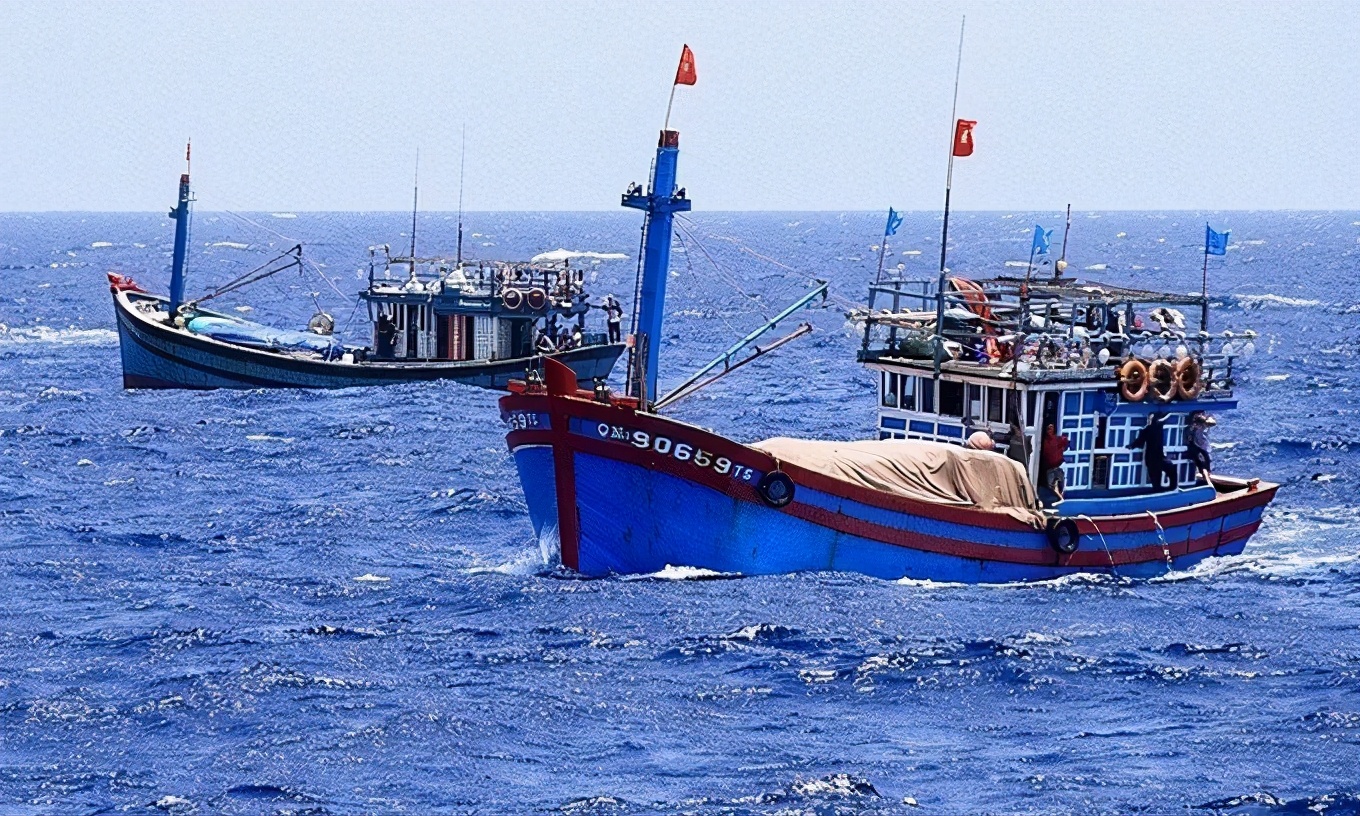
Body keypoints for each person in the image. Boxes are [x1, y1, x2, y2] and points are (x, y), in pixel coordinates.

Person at [1129, 412, 1178, 491]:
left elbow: (1165, 418)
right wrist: (1131, 446)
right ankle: (1158, 490)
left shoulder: (1159, 426)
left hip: (1160, 457)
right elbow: (1139, 441)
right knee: (1156, 478)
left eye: (1151, 419)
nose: (1149, 420)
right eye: (1149, 419)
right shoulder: (1146, 430)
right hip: (1151, 459)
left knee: (1171, 468)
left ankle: (1172, 488)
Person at [1186, 411, 1216, 484]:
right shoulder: (1193, 417)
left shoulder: (1204, 414)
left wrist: (1207, 420)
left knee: (1206, 459)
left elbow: (1212, 421)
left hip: (1200, 443)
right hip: (1192, 443)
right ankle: (1205, 476)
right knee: (1200, 461)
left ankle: (1207, 475)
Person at [1041, 424, 1069, 500]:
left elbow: (1066, 441)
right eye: (1048, 428)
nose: (1049, 429)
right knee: (1052, 485)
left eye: (1051, 428)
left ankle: (1061, 496)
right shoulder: (1044, 441)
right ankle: (1060, 497)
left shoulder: (1058, 439)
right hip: (1050, 467)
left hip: (1059, 465)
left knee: (1060, 482)